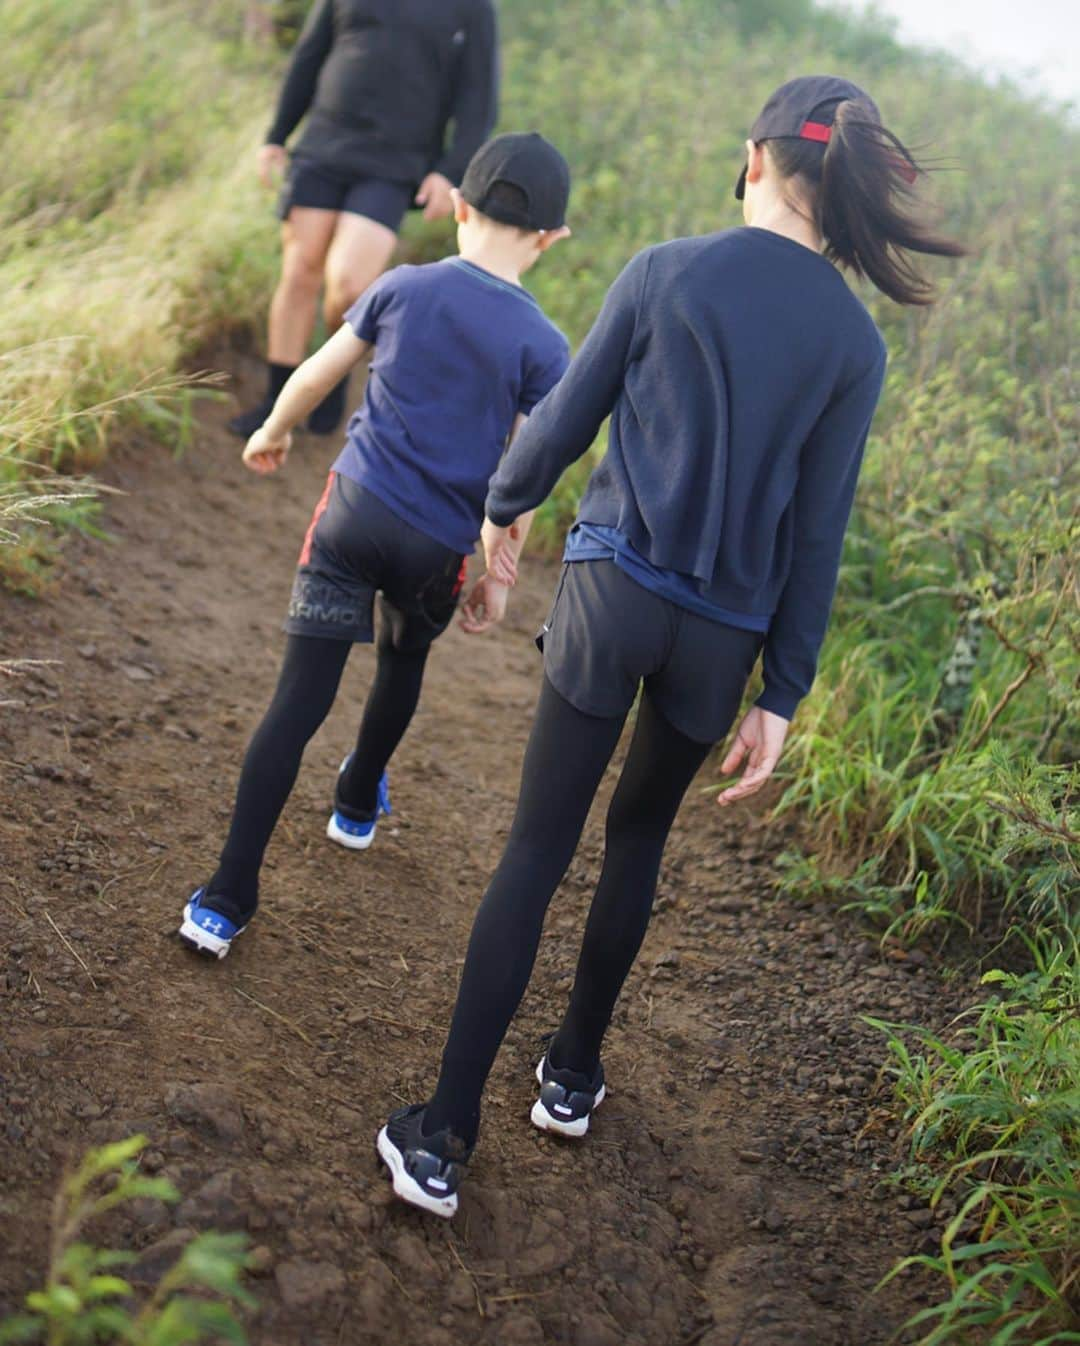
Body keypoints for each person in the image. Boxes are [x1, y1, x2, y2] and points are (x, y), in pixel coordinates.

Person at [375, 75, 966, 1217]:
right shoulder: (853, 341)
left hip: (611, 592)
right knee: (638, 841)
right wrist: (782, 690)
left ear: (754, 159)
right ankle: (574, 1074)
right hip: (722, 635)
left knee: (537, 848)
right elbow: (817, 526)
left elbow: (562, 424)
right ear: (840, 184)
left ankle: (443, 1134)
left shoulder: (665, 269)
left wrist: (500, 511)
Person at [180, 133, 572, 960]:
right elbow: (523, 476)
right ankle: (356, 802)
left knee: (297, 702)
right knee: (401, 660)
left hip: (353, 516)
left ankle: (224, 899)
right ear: (552, 239)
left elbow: (320, 373)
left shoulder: (403, 286)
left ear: (459, 207)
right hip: (437, 545)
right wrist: (497, 574)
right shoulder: (544, 346)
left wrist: (276, 431)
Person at [229, 0, 499, 439]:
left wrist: (450, 171)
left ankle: (330, 378)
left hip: (395, 164)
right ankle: (277, 404)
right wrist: (276, 135)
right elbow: (311, 54)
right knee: (300, 270)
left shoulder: (474, 8)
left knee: (350, 286)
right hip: (323, 145)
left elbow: (478, 98)